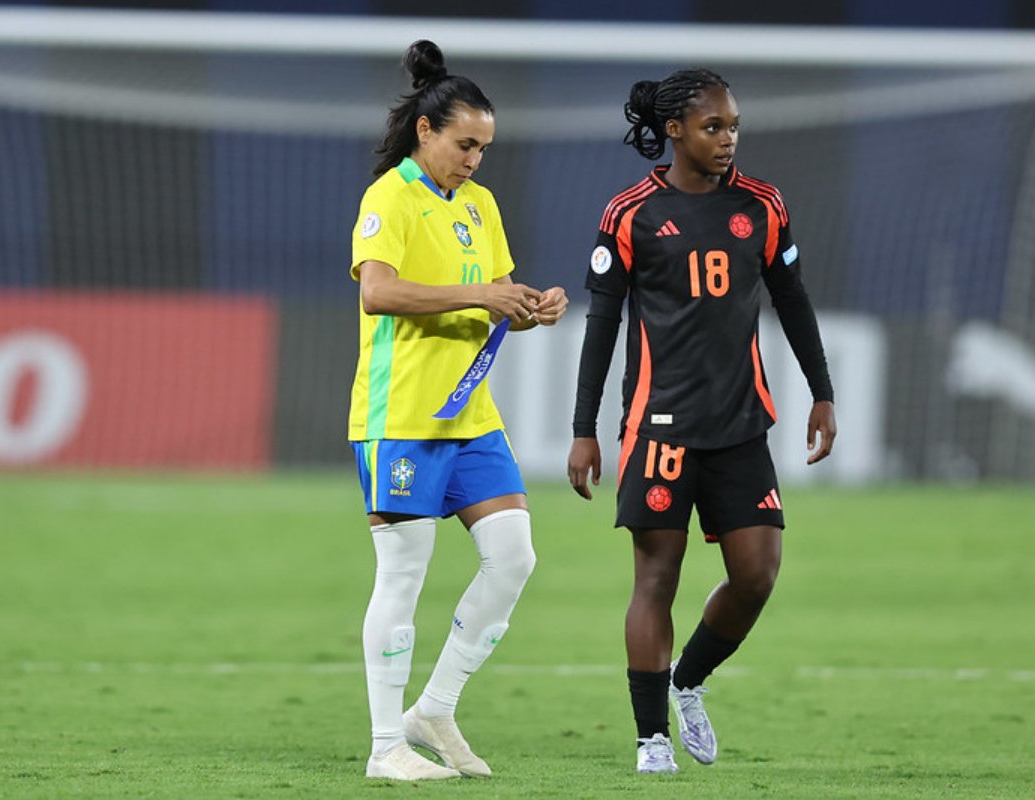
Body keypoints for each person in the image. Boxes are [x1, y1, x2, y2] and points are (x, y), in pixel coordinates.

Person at [567, 68, 836, 774]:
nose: (727, 139)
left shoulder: (763, 204)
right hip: (659, 428)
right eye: (713, 127)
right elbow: (601, 322)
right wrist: (584, 427)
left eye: (733, 126)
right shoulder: (631, 213)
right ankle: (651, 738)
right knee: (656, 577)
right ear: (676, 130)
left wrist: (823, 392)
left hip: (743, 423)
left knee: (758, 573)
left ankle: (687, 680)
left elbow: (793, 299)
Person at [349, 40, 567, 781]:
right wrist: (480, 295)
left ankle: (434, 708)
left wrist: (531, 304)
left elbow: (498, 289)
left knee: (514, 557)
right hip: (402, 416)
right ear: (426, 132)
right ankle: (386, 748)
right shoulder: (390, 198)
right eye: (465, 144)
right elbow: (377, 292)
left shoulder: (480, 205)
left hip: (471, 416)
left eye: (484, 148)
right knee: (403, 575)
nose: (475, 159)